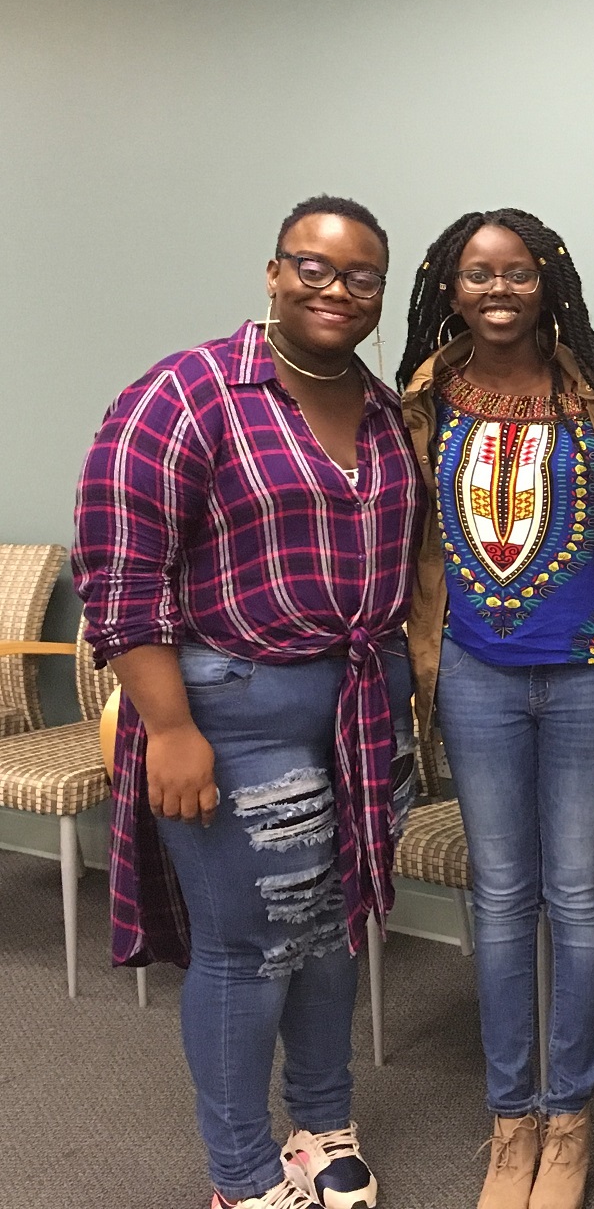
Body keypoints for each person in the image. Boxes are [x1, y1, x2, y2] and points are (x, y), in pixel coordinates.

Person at [73, 196, 421, 1209]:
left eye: (360, 276)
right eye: (312, 267)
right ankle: (237, 1168)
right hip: (233, 704)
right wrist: (171, 727)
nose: (336, 289)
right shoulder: (186, 394)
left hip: (358, 706)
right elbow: (120, 577)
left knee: (329, 927)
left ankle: (321, 1125)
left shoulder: (383, 405)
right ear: (273, 273)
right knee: (251, 945)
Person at [397, 208, 594, 1209]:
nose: (496, 289)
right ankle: (511, 1124)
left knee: (583, 899)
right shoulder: (420, 398)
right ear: (447, 288)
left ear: (549, 281)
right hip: (472, 676)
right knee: (501, 898)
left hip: (591, 673)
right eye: (475, 273)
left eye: (517, 272)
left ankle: (571, 1120)